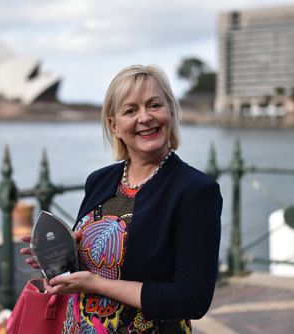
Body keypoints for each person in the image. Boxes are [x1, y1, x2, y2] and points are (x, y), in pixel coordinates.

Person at [21, 64, 222, 334]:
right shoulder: (100, 180)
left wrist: (94, 284)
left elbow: (191, 300)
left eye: (154, 105)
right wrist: (63, 255)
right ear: (114, 126)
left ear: (171, 113)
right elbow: (109, 261)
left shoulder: (196, 191)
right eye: (131, 110)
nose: (145, 118)